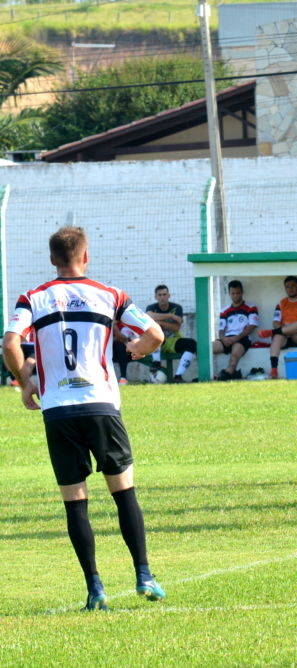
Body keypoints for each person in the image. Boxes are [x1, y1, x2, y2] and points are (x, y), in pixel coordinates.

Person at [2, 226, 167, 611]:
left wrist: (26, 380)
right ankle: (144, 574)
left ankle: (95, 589)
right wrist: (137, 349)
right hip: (101, 403)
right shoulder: (111, 294)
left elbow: (10, 342)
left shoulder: (34, 298)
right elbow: (155, 334)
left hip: (58, 409)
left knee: (75, 500)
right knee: (123, 490)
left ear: (52, 259)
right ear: (86, 256)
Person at [145, 285, 198, 383]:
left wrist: (158, 321)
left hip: (173, 340)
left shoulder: (177, 308)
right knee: (154, 334)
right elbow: (148, 316)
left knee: (191, 344)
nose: (162, 297)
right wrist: (170, 316)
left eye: (164, 294)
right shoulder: (151, 307)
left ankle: (178, 376)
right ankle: (156, 363)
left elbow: (175, 327)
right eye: (159, 295)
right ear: (155, 297)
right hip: (156, 343)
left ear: (169, 295)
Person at [212, 280, 258, 381]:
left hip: (242, 338)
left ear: (242, 292)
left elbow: (252, 326)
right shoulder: (224, 310)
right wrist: (224, 339)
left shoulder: (251, 307)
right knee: (207, 349)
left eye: (238, 293)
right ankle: (206, 374)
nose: (235, 296)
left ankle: (228, 373)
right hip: (227, 339)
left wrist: (236, 338)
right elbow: (221, 330)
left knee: (234, 355)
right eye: (233, 293)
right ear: (229, 294)